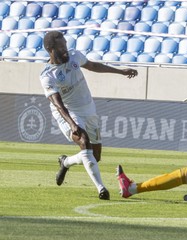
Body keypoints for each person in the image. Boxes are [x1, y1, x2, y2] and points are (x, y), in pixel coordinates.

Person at [40, 31, 138, 200]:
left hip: (88, 110)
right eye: (61, 47)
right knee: (84, 143)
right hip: (68, 112)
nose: (65, 49)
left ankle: (66, 162)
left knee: (95, 156)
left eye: (65, 45)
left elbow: (93, 66)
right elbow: (57, 103)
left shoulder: (75, 56)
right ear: (50, 49)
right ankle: (101, 189)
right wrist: (72, 124)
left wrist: (121, 72)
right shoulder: (47, 75)